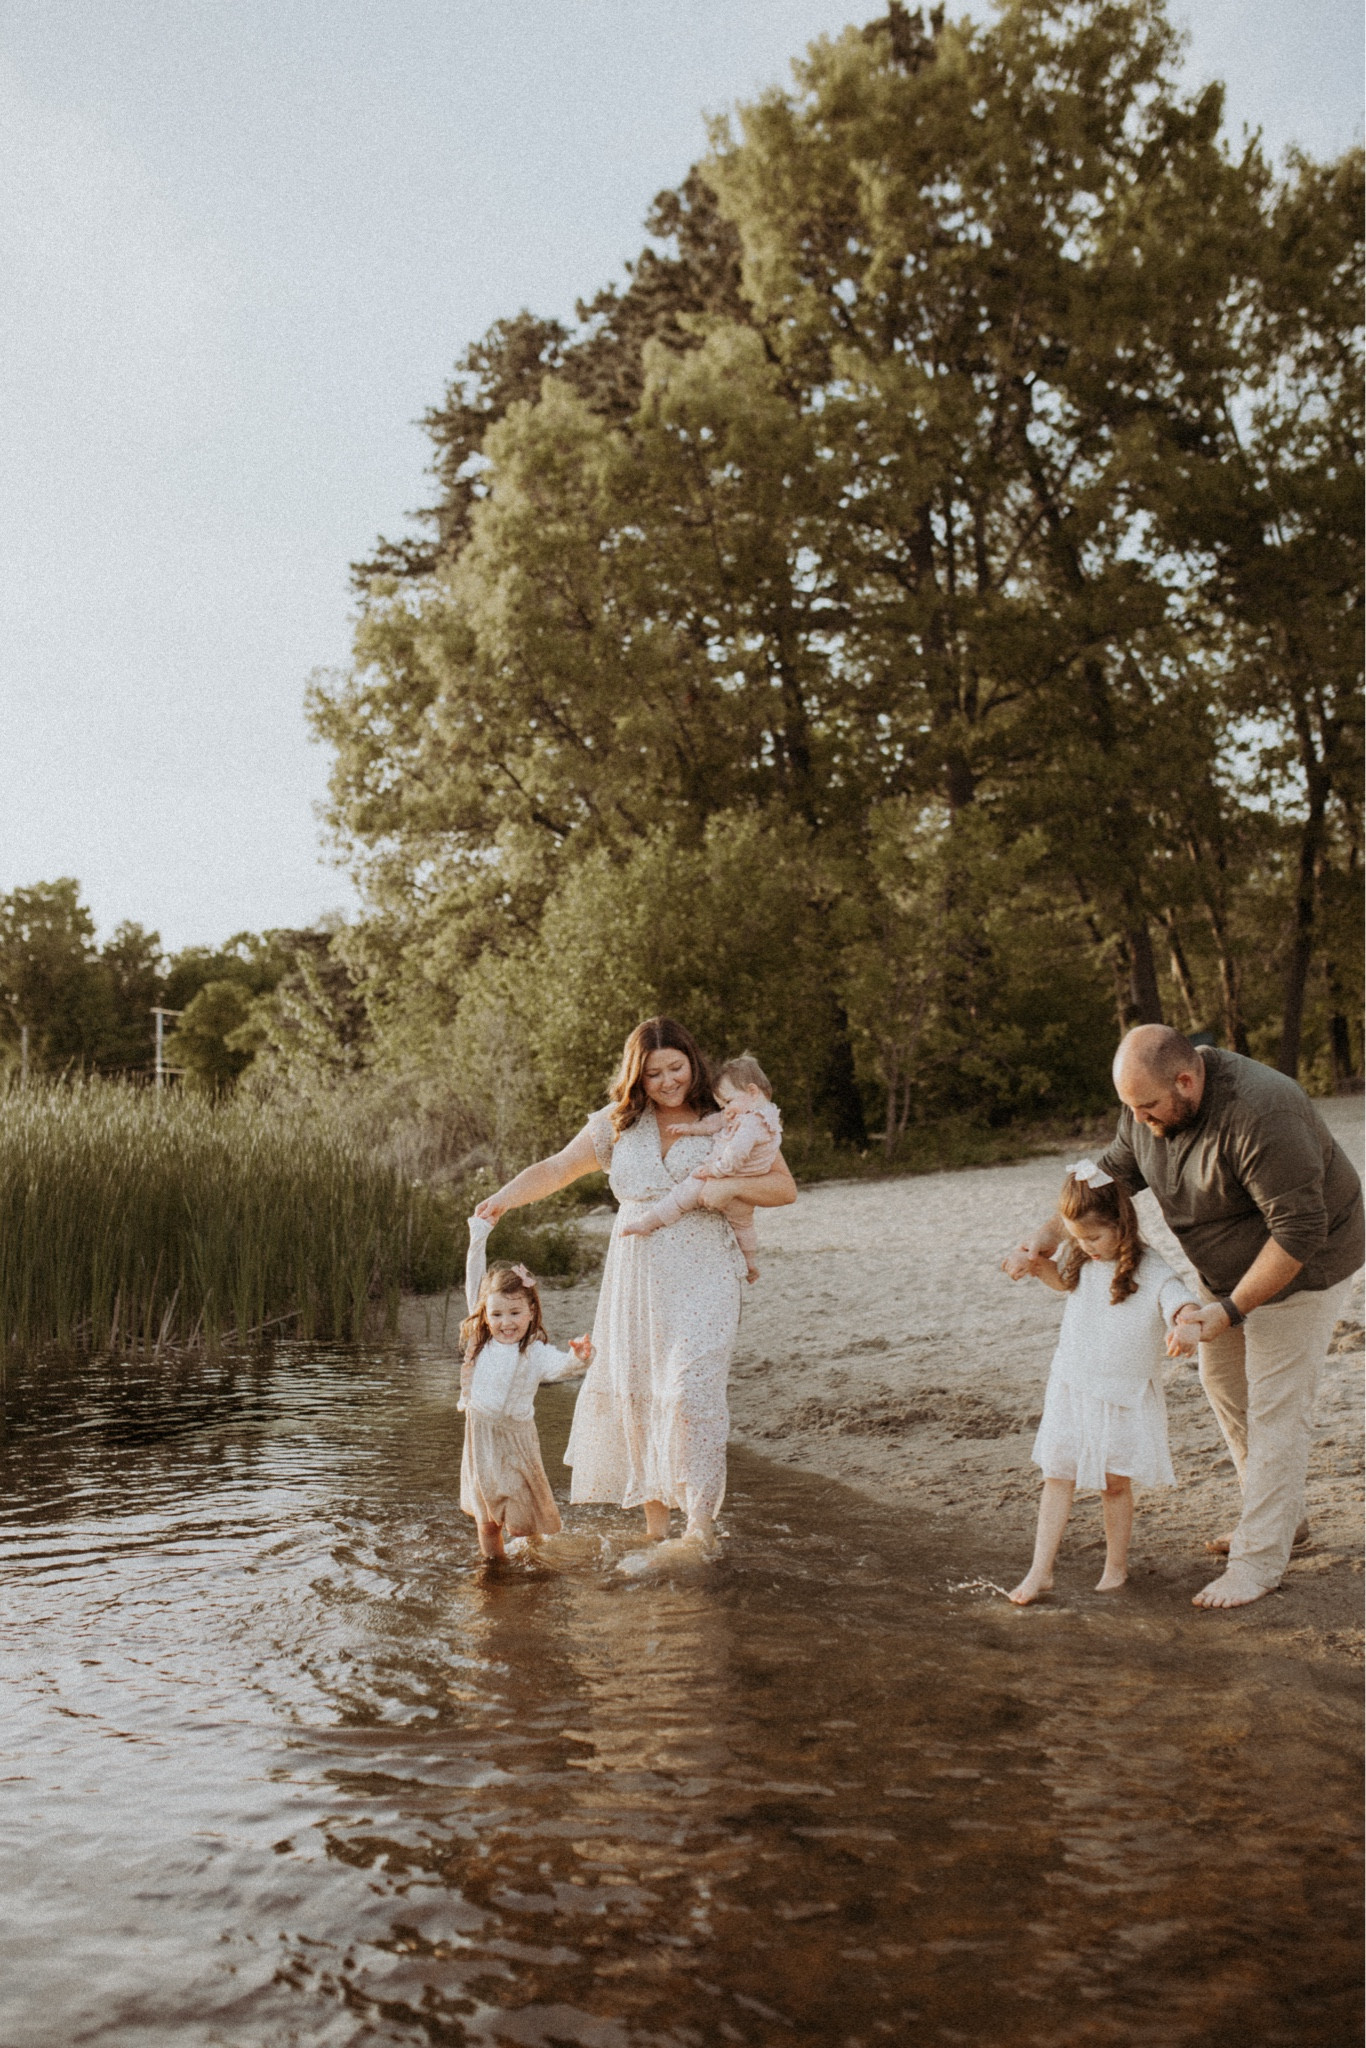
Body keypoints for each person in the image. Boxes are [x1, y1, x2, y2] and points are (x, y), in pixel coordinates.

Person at [1005, 1025, 1364, 1609]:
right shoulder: (1146, 1104)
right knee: (1223, 1383)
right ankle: (1279, 1519)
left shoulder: (1263, 1112)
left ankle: (1258, 1562)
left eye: (1148, 1108)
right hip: (1224, 1269)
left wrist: (1229, 1310)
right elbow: (1112, 1171)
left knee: (1276, 1404)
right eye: (1131, 1109)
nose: (1140, 1120)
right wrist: (1042, 1239)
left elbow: (1300, 1231)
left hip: (1304, 1265)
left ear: (1186, 1080)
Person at [473, 1017, 797, 1562]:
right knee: (640, 1393)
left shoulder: (727, 1115)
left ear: (693, 1062)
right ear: (636, 1077)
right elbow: (556, 1168)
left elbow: (783, 1187)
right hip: (636, 1277)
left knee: (690, 1391)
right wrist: (501, 1200)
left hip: (705, 1272)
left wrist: (727, 1189)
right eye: (653, 1073)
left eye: (677, 1067)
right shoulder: (617, 1126)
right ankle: (655, 1531)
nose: (668, 1081)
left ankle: (699, 1527)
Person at [1004, 1160, 1197, 1605]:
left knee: (1114, 1483)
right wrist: (1033, 1266)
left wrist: (1185, 1324)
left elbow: (1178, 1298)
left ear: (1121, 1224)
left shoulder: (1149, 1267)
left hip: (1122, 1394)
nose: (1086, 1246)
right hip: (1073, 1382)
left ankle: (1115, 1565)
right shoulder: (1083, 1257)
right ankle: (1040, 1570)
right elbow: (1067, 1285)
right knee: (1058, 1474)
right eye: (1077, 1238)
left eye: (1093, 1236)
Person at [458, 1216, 593, 1561]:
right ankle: (494, 1567)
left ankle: (536, 1558)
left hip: (517, 1440)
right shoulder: (481, 1342)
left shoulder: (533, 1352)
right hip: (480, 1437)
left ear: (531, 1312)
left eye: (515, 1312)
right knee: (487, 1521)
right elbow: (474, 1277)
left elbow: (560, 1368)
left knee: (523, 1522)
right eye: (498, 1314)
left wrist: (579, 1358)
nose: (506, 1323)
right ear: (486, 1315)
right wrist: (479, 1234)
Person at [620, 1053, 782, 1282]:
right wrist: (690, 1128)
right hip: (742, 1191)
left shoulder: (752, 1124)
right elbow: (714, 1122)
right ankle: (749, 1262)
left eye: (727, 1102)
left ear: (753, 1092)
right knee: (744, 1225)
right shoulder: (754, 1114)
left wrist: (714, 1171)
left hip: (726, 1176)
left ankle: (648, 1222)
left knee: (684, 1193)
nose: (725, 1109)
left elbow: (736, 1154)